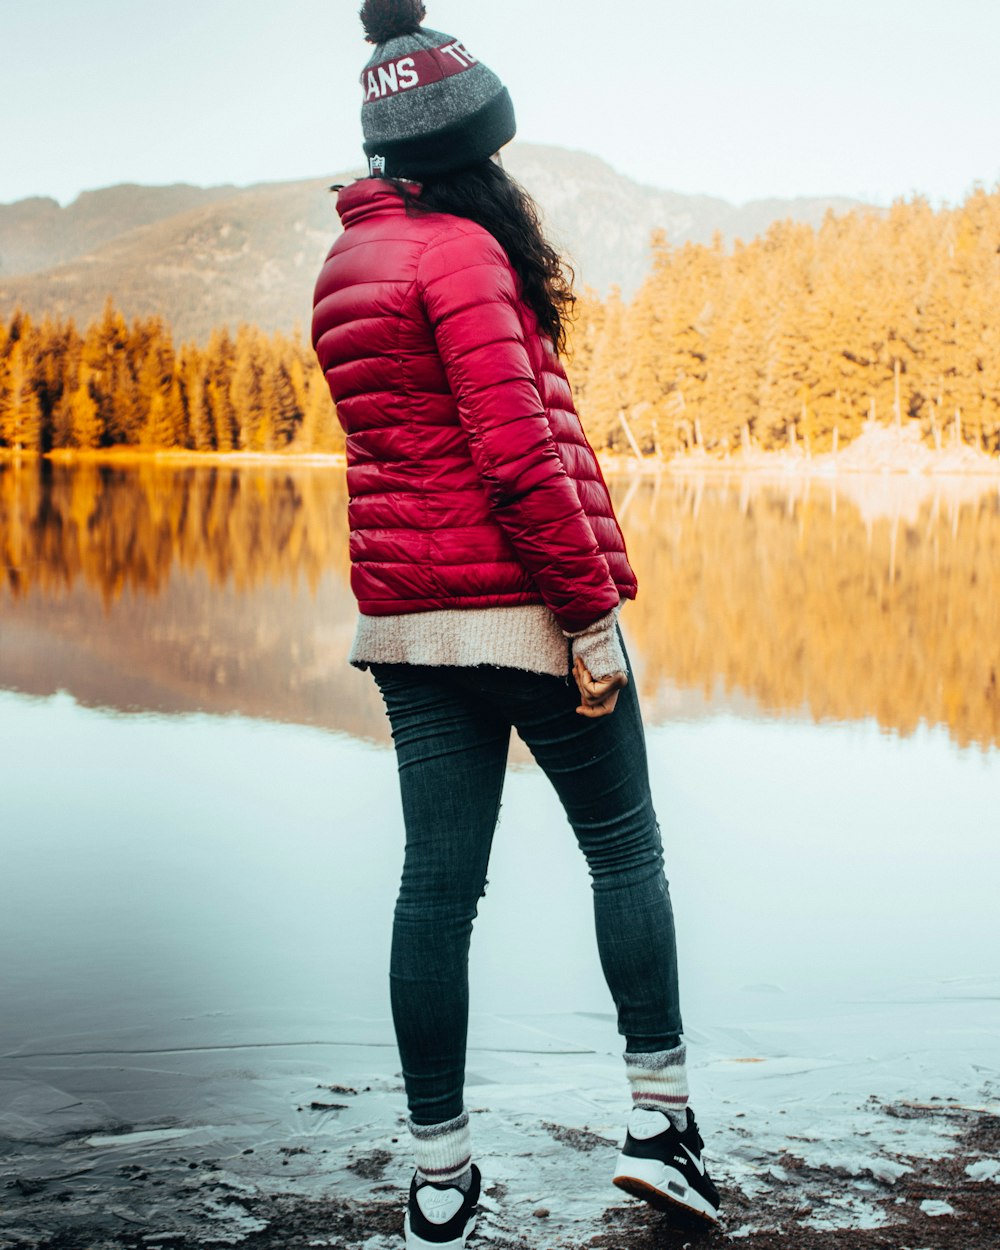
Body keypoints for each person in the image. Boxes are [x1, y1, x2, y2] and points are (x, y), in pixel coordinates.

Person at [312, 2, 721, 1245]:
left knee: (435, 894)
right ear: (474, 152)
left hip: (408, 628)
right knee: (625, 850)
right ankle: (661, 1133)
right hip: (524, 609)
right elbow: (516, 456)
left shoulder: (345, 265)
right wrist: (588, 614)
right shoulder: (463, 254)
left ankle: (438, 1183)